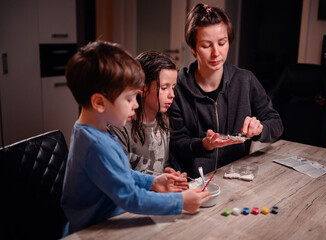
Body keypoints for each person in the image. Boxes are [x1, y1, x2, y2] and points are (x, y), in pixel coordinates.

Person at [61, 41, 211, 234]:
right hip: (94, 230)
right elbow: (131, 198)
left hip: (110, 221)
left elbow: (118, 172)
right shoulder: (97, 145)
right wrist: (180, 201)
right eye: (129, 98)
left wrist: (152, 182)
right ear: (99, 102)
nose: (136, 105)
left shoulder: (89, 130)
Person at [169, 4, 284, 178]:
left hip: (236, 177)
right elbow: (176, 144)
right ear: (193, 48)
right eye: (207, 45)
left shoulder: (246, 80)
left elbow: (276, 124)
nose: (217, 53)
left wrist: (259, 129)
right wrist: (204, 144)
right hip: (195, 182)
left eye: (222, 43)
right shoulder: (177, 85)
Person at [109, 51, 183, 176]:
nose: (172, 95)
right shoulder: (120, 128)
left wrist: (168, 172)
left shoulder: (164, 120)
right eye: (164, 88)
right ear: (142, 88)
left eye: (173, 87)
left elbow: (163, 164)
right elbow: (121, 178)